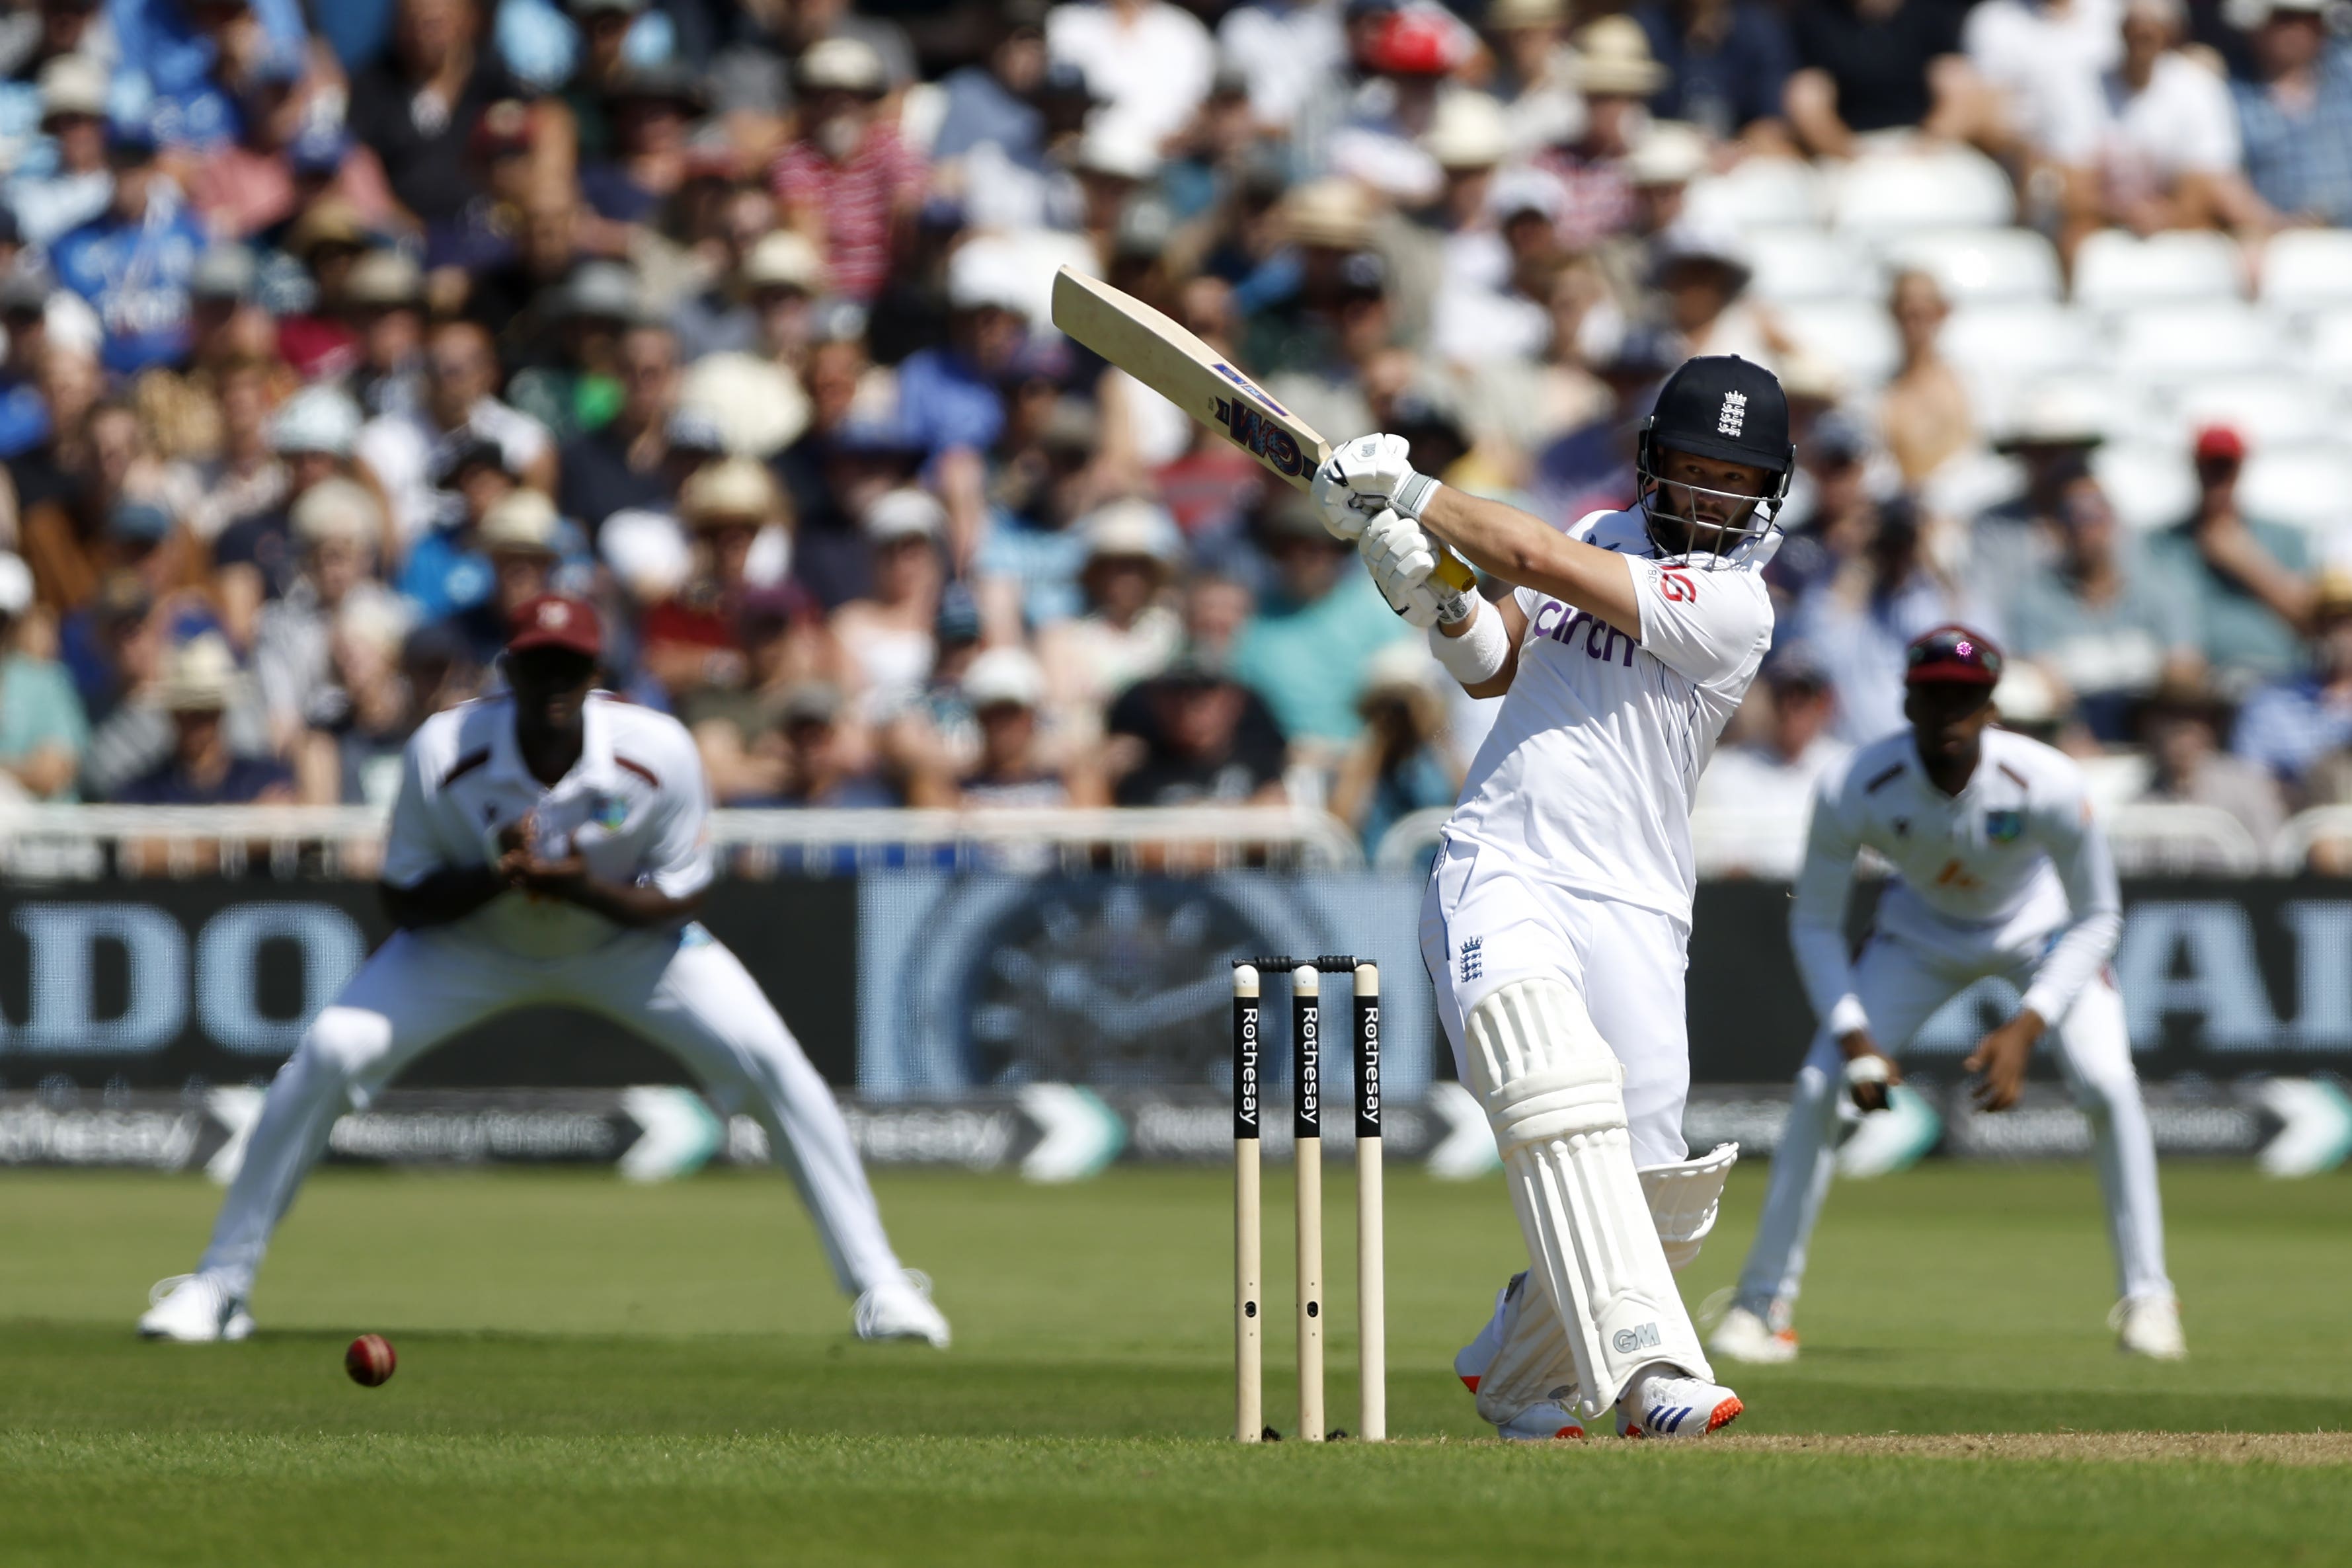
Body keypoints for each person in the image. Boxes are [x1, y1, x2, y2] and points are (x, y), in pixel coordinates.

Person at [138, 594, 951, 1349]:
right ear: (511, 671)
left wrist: (583, 890)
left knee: (777, 1063)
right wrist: (501, 876)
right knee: (330, 1051)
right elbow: (405, 898)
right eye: (538, 665)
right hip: (471, 943)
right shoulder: (444, 748)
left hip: (627, 946)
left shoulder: (658, 750)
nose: (554, 682)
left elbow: (683, 895)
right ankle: (219, 1284)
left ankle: (881, 1285)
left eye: (571, 666)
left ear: (596, 675)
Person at [1312, 354, 1793, 1440]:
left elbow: (1529, 554)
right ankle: (1650, 1372)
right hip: (1503, 859)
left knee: (1659, 1196)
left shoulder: (1734, 606)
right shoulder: (1600, 531)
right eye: (1692, 468)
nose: (1711, 495)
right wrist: (1429, 594)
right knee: (1546, 1077)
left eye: (1734, 477)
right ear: (1651, 461)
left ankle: (1513, 1369)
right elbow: (1496, 666)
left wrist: (1416, 494)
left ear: (1766, 489)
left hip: (1636, 899)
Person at [1713, 625, 2183, 1364]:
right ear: (1906, 700)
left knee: (2108, 1082)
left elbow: (2099, 916)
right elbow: (1813, 920)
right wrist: (1855, 1037)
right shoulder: (1855, 784)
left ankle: (2150, 1298)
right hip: (1917, 934)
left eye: (1966, 697)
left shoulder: (2049, 781)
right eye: (1934, 695)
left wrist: (2025, 1028)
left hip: (2041, 933)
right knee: (1817, 1085)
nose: (1949, 713)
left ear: (1993, 706)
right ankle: (1761, 1303)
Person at [1693, 645, 1851, 875]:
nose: (1790, 709)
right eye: (1782, 696)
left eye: (1802, 698)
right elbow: (1723, 864)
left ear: (1823, 704)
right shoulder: (1727, 770)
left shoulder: (1846, 768)